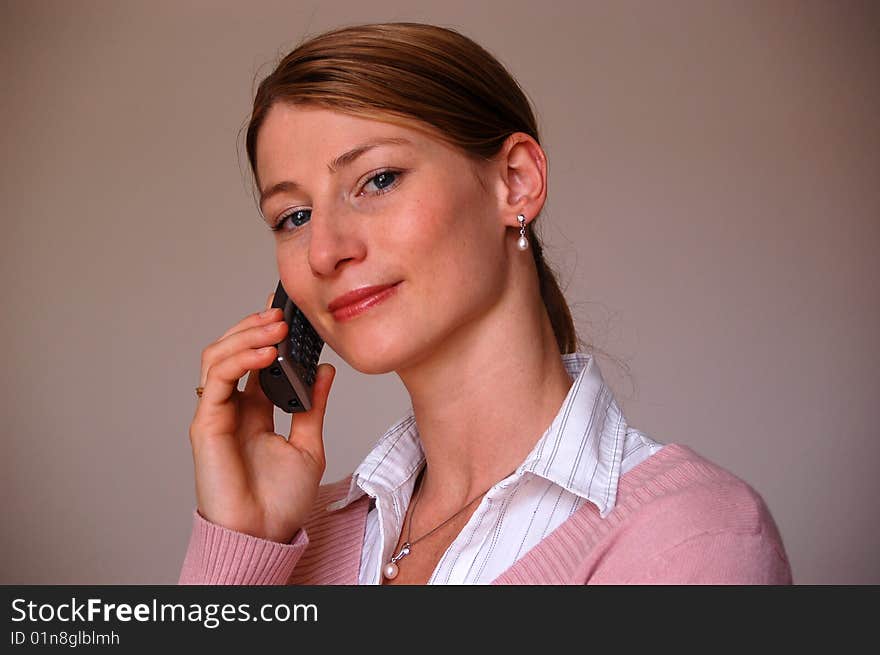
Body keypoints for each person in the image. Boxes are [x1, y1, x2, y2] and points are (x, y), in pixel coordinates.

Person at [179, 22, 792, 585]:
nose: (324, 252)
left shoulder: (691, 541)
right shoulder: (294, 539)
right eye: (295, 216)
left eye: (379, 179)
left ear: (515, 182)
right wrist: (240, 549)